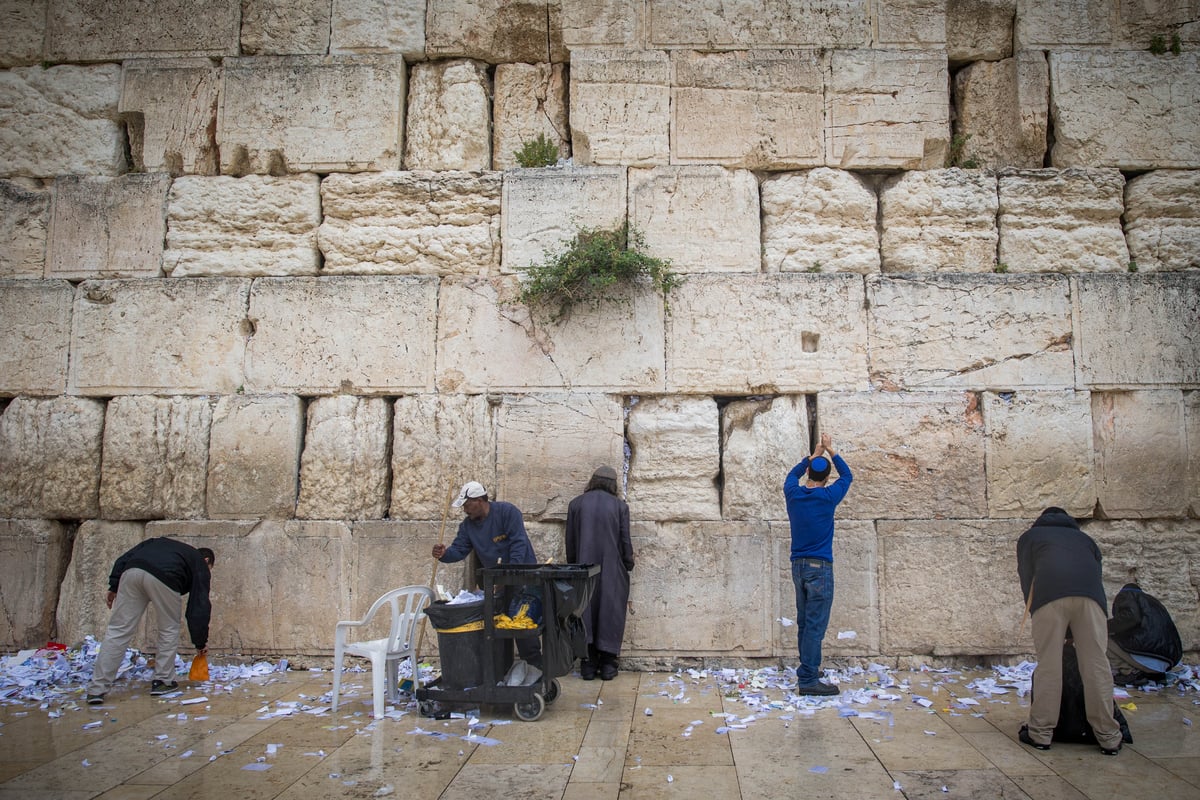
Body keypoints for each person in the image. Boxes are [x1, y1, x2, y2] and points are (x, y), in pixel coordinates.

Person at [1016, 507, 1123, 755]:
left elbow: (1026, 576)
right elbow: (1096, 573)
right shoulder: (1085, 539)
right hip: (1092, 599)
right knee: (1096, 665)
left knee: (1049, 666)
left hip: (1049, 598)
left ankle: (1040, 733)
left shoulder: (1031, 537)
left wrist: (1035, 611)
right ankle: (1109, 736)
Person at [86, 537, 214, 704]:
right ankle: (163, 681)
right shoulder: (200, 564)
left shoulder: (159, 543)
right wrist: (200, 642)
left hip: (131, 572)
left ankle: (97, 689)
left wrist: (114, 585)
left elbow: (124, 557)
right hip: (167, 577)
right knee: (168, 628)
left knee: (118, 630)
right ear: (207, 561)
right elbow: (198, 607)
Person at [433, 480, 542, 667]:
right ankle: (503, 667)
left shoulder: (507, 512)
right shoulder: (467, 526)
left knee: (522, 625)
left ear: (479, 500)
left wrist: (510, 573)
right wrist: (444, 555)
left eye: (467, 505)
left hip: (522, 578)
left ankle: (535, 668)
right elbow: (458, 550)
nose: (465, 510)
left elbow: (518, 544)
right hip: (497, 583)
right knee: (498, 627)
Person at [783, 433, 852, 696]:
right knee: (815, 625)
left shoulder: (793, 493)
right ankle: (809, 679)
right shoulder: (828, 497)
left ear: (809, 473)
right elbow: (847, 476)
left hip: (798, 566)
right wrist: (832, 451)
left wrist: (813, 455)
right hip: (819, 568)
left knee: (804, 622)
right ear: (826, 478)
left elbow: (791, 475)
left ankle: (807, 669)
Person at [565, 465, 634, 681]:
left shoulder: (576, 504)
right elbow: (625, 542)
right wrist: (628, 563)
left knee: (585, 612)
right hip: (612, 569)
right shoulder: (619, 506)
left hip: (584, 569)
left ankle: (587, 663)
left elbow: (571, 542)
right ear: (613, 485)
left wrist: (574, 566)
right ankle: (607, 665)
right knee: (610, 613)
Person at [1107, 582, 1182, 685]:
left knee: (1103, 639)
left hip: (1150, 657)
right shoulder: (1153, 602)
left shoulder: (1127, 595)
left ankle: (1129, 673)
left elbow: (1130, 617)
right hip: (1168, 662)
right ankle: (1154, 674)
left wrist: (1105, 626)